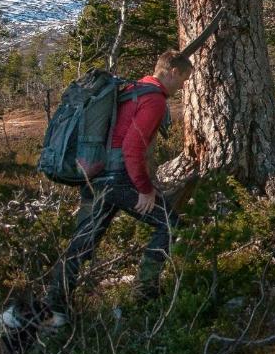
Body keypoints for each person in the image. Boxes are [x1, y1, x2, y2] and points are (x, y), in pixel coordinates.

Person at [42, 50, 194, 327]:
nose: (183, 86)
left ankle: (55, 309)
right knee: (169, 224)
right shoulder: (154, 100)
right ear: (172, 72)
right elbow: (132, 148)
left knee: (82, 242)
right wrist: (145, 189)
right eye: (183, 79)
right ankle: (144, 292)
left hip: (95, 178)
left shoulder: (132, 89)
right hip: (117, 179)